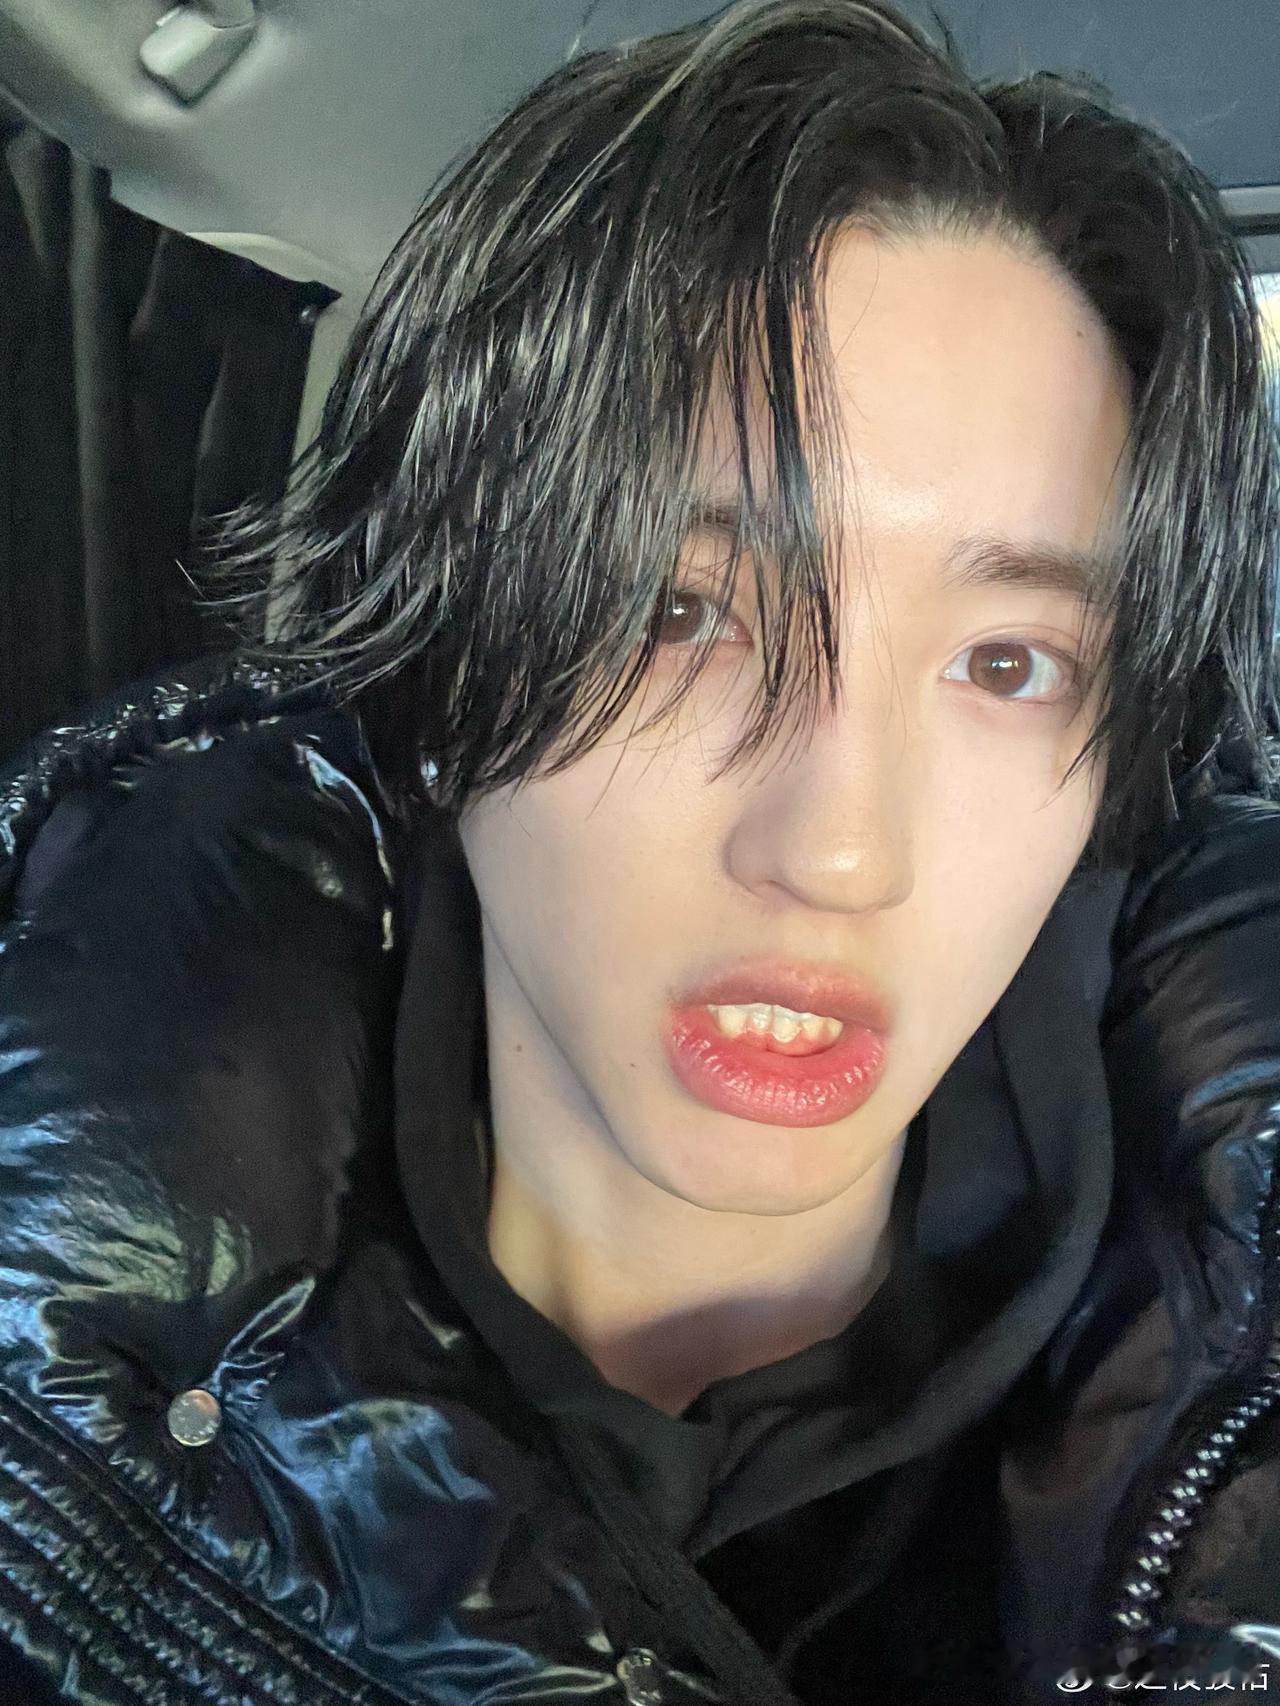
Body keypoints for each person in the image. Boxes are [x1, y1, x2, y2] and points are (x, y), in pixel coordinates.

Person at [1, 1, 1278, 1701]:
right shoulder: (51, 1408)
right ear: (442, 662)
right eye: (678, 614)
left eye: (1005, 664)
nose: (839, 851)